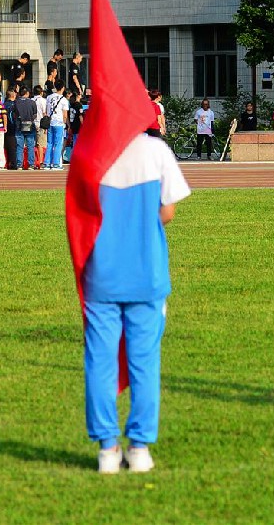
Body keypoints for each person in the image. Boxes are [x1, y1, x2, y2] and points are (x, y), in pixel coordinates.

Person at [82, 114, 190, 474]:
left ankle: (107, 449)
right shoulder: (156, 150)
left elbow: (80, 215)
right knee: (144, 361)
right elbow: (169, 210)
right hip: (146, 271)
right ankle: (140, 448)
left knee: (101, 359)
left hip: (102, 272)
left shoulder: (90, 151)